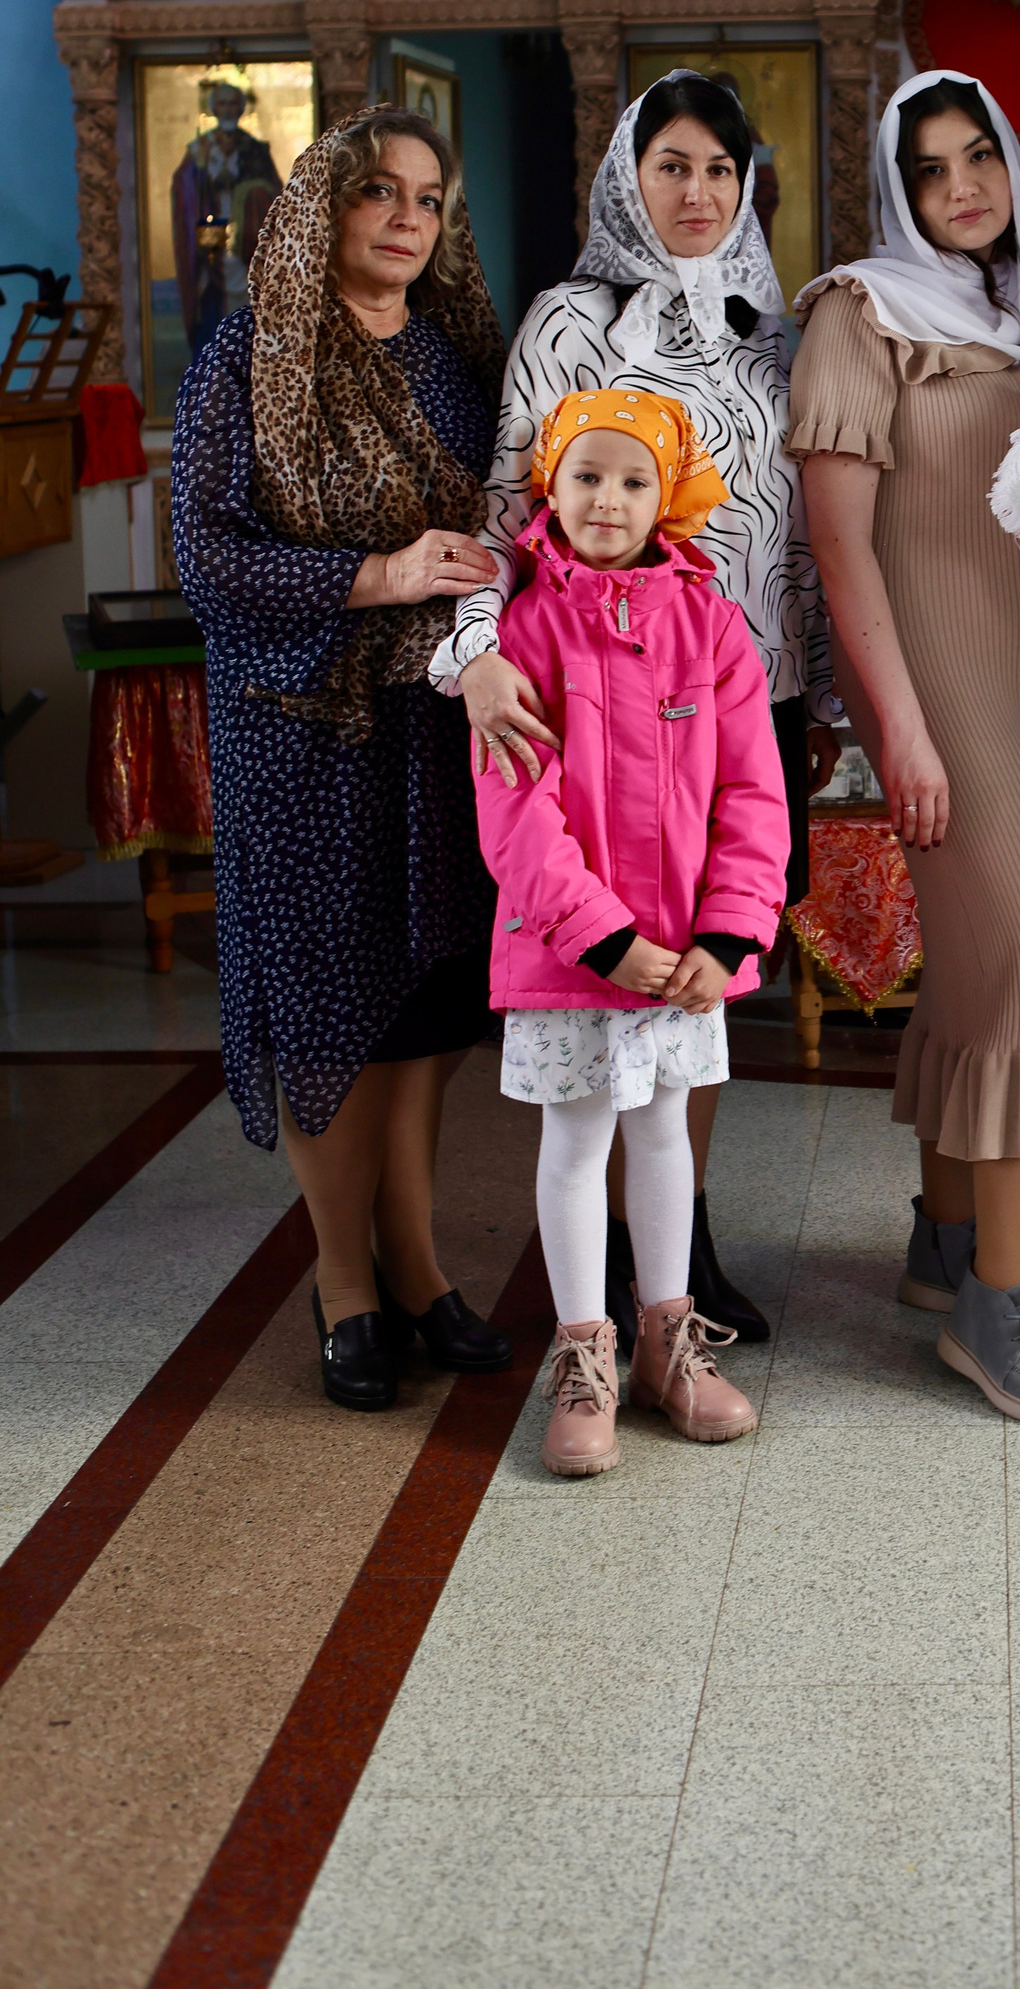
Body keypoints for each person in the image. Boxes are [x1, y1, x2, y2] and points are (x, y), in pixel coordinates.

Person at [438, 73, 836, 1346]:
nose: (698, 192)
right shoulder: (574, 318)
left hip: (742, 695)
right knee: (599, 959)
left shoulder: (771, 331)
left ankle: (677, 1250)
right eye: (672, 165)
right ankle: (603, 1268)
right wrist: (477, 652)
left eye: (721, 170)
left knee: (703, 975)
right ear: (628, 175)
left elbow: (798, 531)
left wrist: (818, 685)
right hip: (586, 691)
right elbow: (509, 505)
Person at [790, 71, 1020, 1428]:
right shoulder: (858, 312)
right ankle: (998, 1299)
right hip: (937, 688)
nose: (961, 187)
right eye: (928, 170)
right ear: (899, 190)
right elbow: (839, 548)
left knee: (985, 969)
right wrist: (903, 731)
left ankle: (943, 1241)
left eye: (976, 156)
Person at [171, 111, 512, 1411]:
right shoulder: (252, 354)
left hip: (435, 721)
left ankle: (417, 1265)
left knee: (424, 1008)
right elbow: (207, 556)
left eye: (428, 197)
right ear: (324, 203)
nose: (406, 217)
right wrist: (380, 574)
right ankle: (345, 1280)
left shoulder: (459, 360)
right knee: (327, 1008)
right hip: (299, 728)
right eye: (378, 190)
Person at [477, 388, 790, 1471]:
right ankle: (583, 1359)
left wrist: (730, 935)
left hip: (685, 959)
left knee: (663, 1134)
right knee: (575, 1145)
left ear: (669, 499)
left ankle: (670, 1345)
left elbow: (753, 793)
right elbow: (516, 812)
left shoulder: (711, 625)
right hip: (572, 956)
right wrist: (604, 940)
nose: (606, 499)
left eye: (632, 480)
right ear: (550, 489)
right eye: (586, 476)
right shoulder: (523, 628)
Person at [171, 82, 283, 363]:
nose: (228, 110)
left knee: (246, 296)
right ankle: (213, 360)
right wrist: (200, 176)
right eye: (222, 104)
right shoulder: (200, 147)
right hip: (212, 232)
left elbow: (274, 193)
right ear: (213, 109)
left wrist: (250, 193)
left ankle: (247, 357)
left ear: (242, 109)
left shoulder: (255, 149)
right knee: (210, 293)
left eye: (233, 104)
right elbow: (182, 187)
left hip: (246, 237)